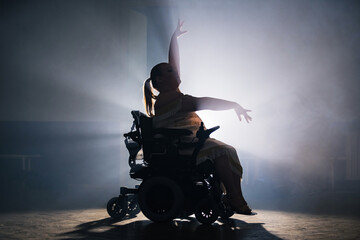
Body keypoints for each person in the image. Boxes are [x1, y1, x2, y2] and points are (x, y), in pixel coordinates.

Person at [143, 20, 253, 214]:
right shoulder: (172, 98)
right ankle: (235, 197)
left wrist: (173, 39)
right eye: (170, 71)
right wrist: (233, 105)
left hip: (187, 142)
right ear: (159, 79)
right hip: (180, 146)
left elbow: (174, 62)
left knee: (228, 150)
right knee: (221, 152)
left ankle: (234, 196)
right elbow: (206, 102)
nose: (176, 71)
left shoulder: (171, 93)